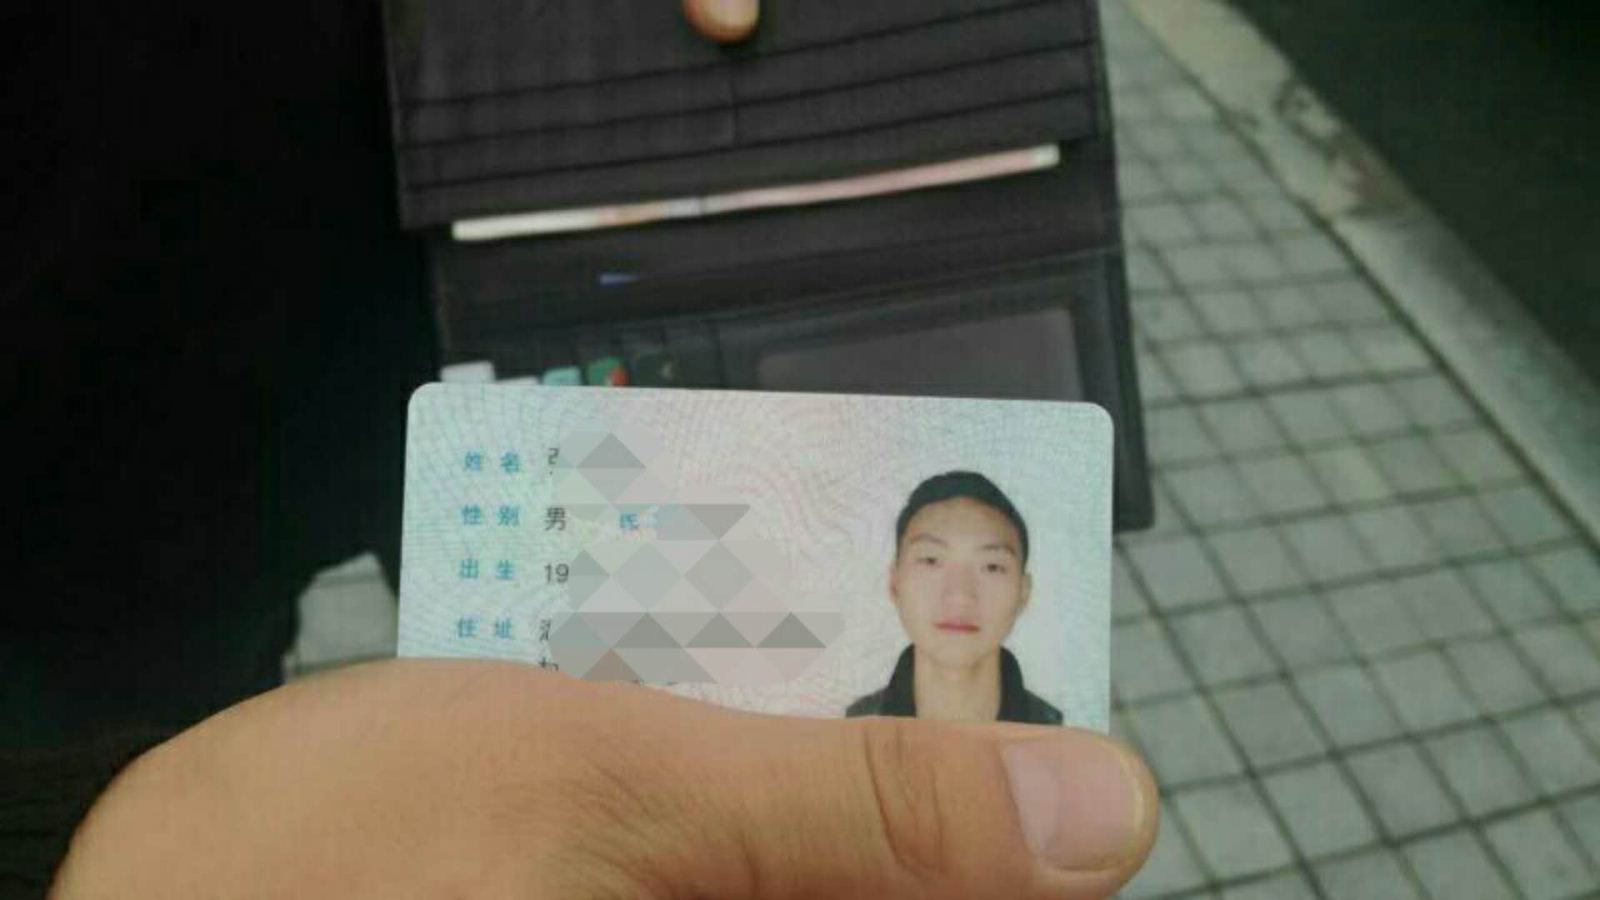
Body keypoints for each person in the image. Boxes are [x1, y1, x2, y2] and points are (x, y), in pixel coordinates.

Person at [3, 1, 1160, 896]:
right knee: (133, 681)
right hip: (98, 311)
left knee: (667, 716)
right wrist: (76, 843)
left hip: (600, 165)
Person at [848, 472, 1064, 725]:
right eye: (931, 560)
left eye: (992, 567)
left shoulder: (1061, 737)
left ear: (1023, 593)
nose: (960, 596)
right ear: (895, 583)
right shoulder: (851, 732)